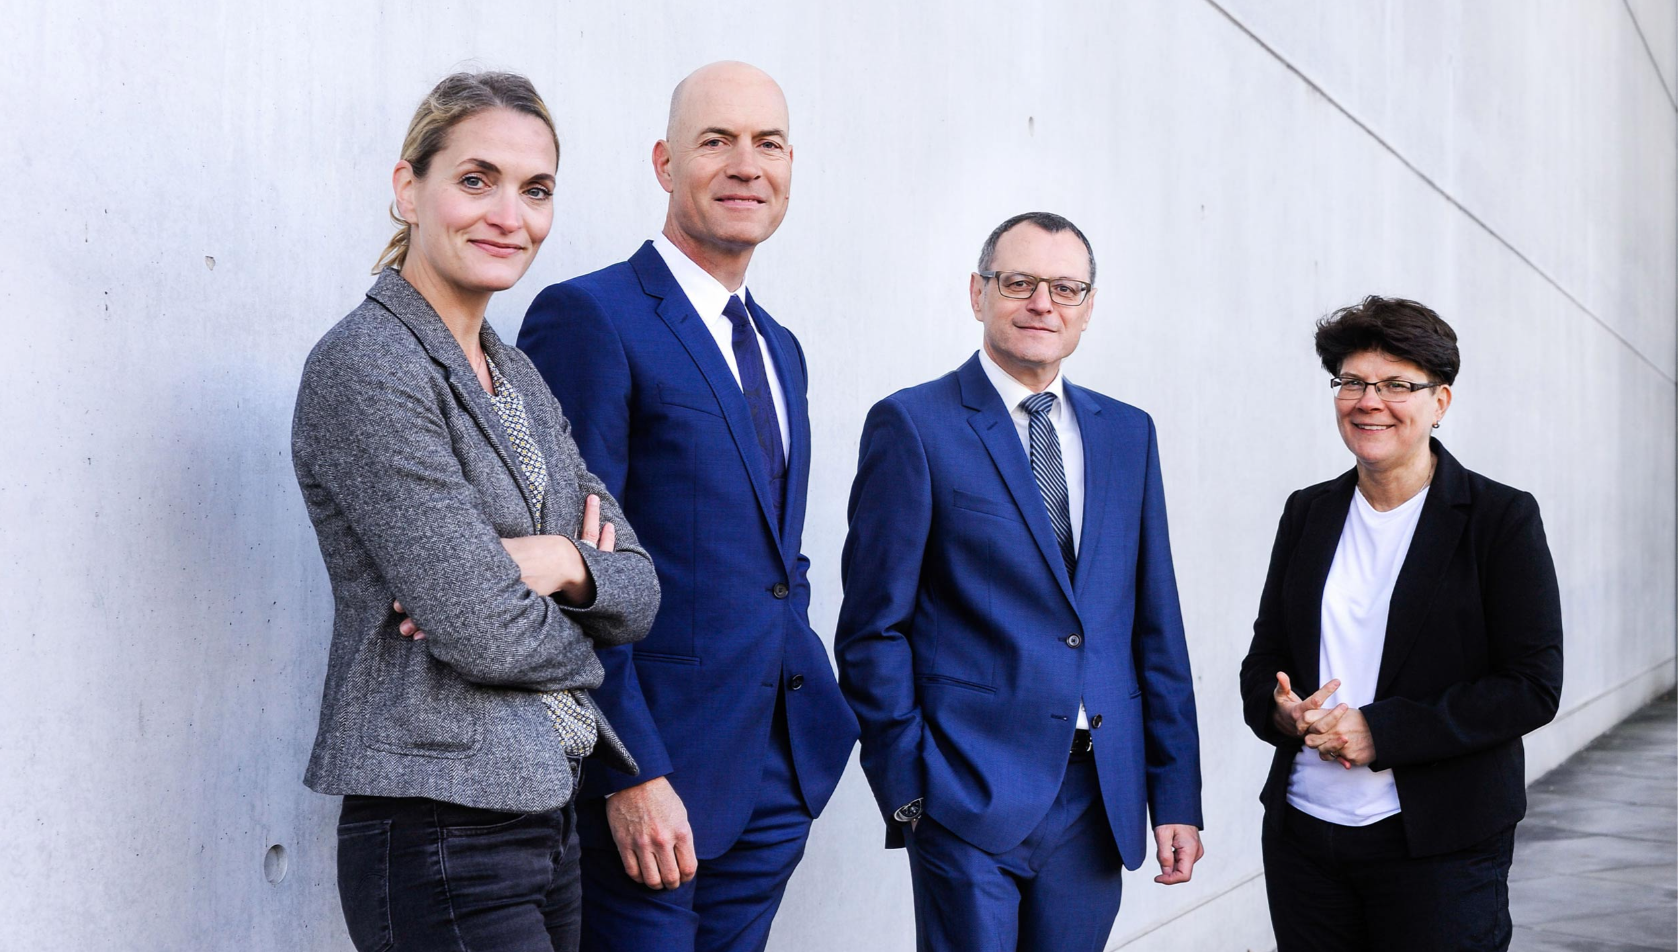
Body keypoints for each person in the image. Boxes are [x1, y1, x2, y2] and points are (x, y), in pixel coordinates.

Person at [291, 71, 659, 952]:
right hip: (439, 824)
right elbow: (483, 628)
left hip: (543, 813)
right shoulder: (370, 365)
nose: (508, 215)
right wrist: (573, 630)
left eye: (535, 190)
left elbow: (641, 589)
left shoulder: (515, 373)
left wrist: (560, 563)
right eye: (475, 179)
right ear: (408, 187)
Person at [516, 61, 859, 952]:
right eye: (717, 141)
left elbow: (775, 559)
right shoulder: (590, 316)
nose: (747, 165)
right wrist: (627, 772)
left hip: (775, 776)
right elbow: (568, 567)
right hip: (652, 786)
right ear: (666, 163)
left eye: (768, 144)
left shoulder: (780, 347)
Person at [834, 212, 1205, 952]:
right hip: (967, 791)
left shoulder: (1128, 433)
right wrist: (911, 788)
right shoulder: (914, 424)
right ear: (979, 293)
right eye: (1020, 282)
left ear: (1088, 308)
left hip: (1099, 796)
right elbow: (874, 628)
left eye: (1066, 288)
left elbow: (1154, 626)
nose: (1043, 304)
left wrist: (1176, 794)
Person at [1238, 296, 1564, 952]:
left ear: (1440, 402)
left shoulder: (1499, 518)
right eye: (1353, 382)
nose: (1369, 402)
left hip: (1441, 847)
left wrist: (1379, 731)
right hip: (1305, 838)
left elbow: (1532, 686)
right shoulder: (1308, 512)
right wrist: (1283, 711)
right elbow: (1265, 655)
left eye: (1396, 385)